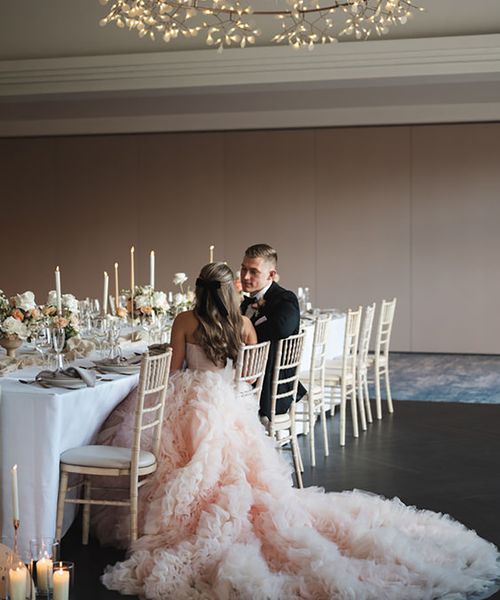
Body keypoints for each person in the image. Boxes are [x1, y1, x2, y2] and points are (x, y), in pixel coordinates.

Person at [97, 262, 500, 600]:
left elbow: (172, 371)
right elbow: (251, 382)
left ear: (200, 291)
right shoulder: (243, 324)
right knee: (234, 471)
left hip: (191, 401)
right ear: (227, 291)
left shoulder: (185, 320)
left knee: (171, 451)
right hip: (227, 405)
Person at [240, 243, 305, 419]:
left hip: (269, 386)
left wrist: (247, 330)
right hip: (249, 375)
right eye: (243, 269)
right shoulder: (245, 302)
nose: (245, 276)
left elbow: (281, 328)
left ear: (271, 275)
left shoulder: (285, 299)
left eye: (253, 271)